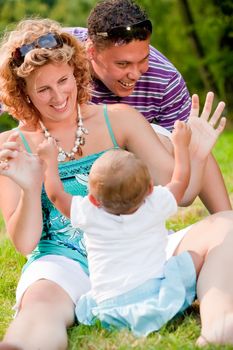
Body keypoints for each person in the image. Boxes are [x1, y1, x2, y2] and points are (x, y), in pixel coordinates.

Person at [0, 17, 233, 350]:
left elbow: (178, 191)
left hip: (140, 245)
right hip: (65, 263)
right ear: (23, 93)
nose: (58, 96)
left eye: (64, 80)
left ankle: (221, 325)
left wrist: (193, 154)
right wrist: (28, 186)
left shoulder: (118, 119)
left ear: (77, 73)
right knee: (39, 304)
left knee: (227, 225)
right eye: (43, 89)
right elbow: (25, 243)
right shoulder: (11, 146)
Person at [37, 122, 204, 337]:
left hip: (107, 308)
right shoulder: (155, 204)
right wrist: (180, 145)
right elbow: (180, 180)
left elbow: (56, 195)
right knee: (193, 257)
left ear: (93, 200)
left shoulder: (90, 214)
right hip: (153, 296)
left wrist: (50, 160)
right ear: (151, 189)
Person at [66, 0, 231, 214]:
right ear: (91, 51)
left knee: (175, 139)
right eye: (122, 64)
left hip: (123, 166)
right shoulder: (59, 53)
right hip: (66, 154)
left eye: (143, 59)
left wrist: (226, 219)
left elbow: (191, 156)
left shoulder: (165, 80)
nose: (135, 74)